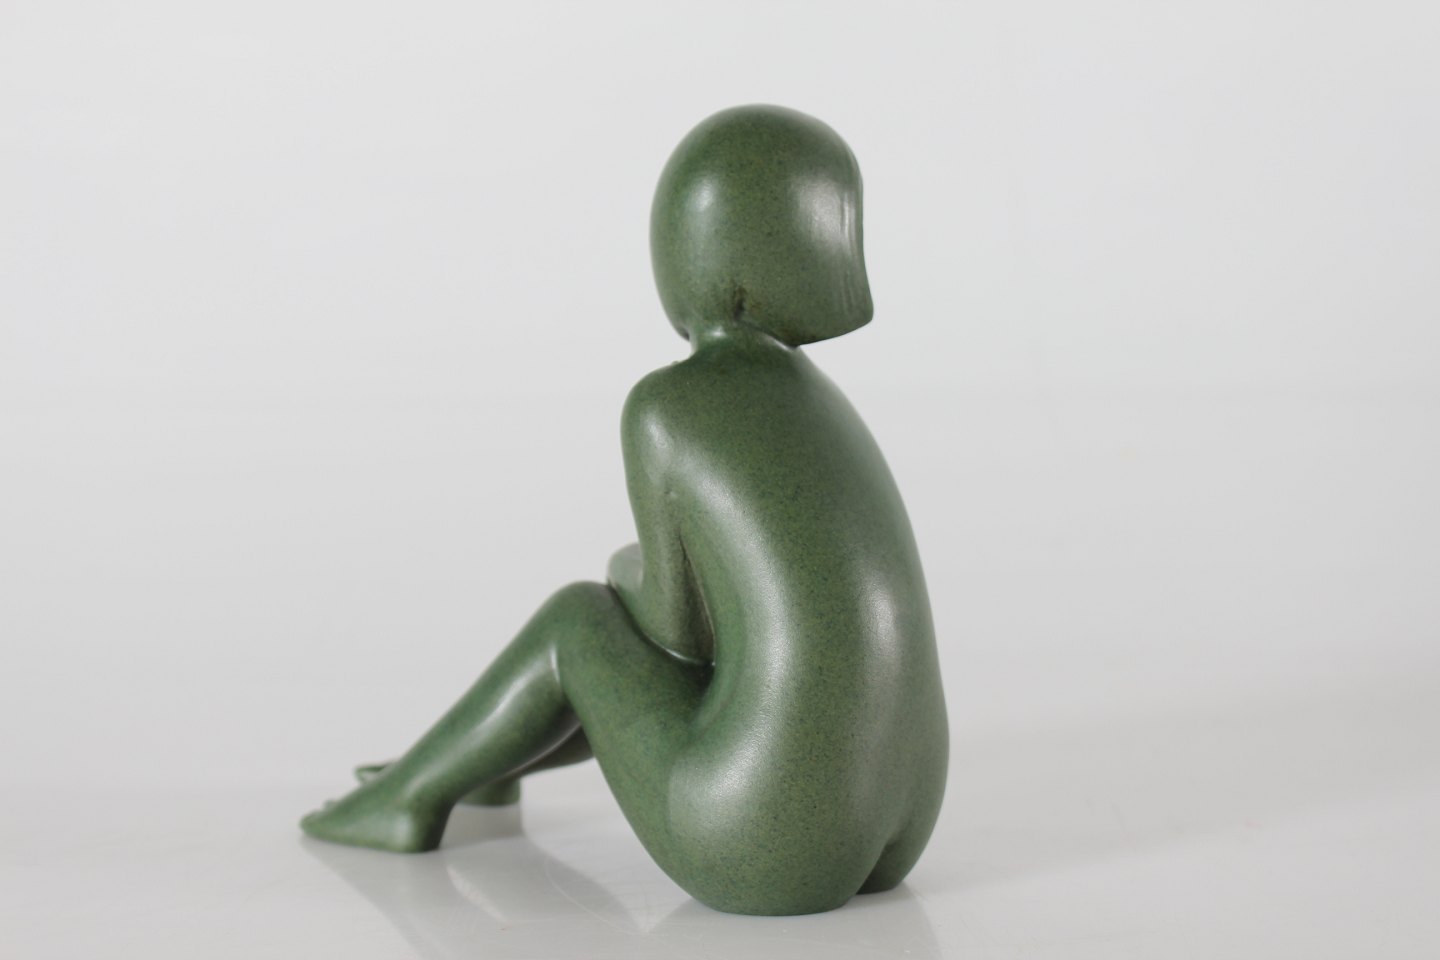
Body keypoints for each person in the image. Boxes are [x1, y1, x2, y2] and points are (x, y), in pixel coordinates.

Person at [300, 104, 948, 916]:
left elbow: (679, 637)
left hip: (762, 834)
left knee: (579, 621)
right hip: (904, 813)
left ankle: (410, 797)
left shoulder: (669, 406)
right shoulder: (825, 407)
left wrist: (626, 571)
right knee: (614, 634)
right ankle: (475, 770)